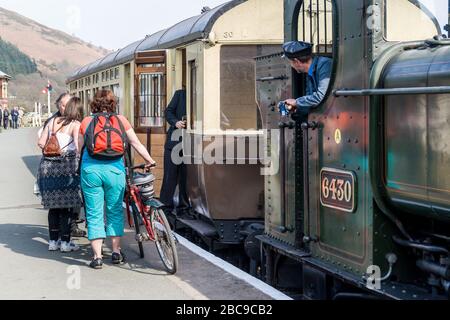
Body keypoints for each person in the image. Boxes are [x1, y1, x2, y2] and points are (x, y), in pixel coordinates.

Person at [78, 89, 156, 269]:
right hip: (115, 171)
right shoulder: (121, 120)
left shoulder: (87, 121)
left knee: (94, 213)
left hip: (91, 171)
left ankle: (97, 257)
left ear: (93, 103)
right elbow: (136, 143)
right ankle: (115, 252)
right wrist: (149, 160)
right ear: (113, 103)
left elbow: (78, 149)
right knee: (114, 211)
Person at [37, 97, 84, 252]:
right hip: (67, 168)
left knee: (53, 208)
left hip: (48, 168)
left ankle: (52, 242)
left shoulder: (52, 121)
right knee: (66, 208)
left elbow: (41, 143)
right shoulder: (76, 125)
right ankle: (65, 243)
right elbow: (78, 148)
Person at [160, 89, 190, 218]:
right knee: (170, 177)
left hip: (191, 144)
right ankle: (165, 209)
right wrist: (176, 122)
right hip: (174, 143)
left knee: (185, 179)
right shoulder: (180, 94)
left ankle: (183, 209)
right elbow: (168, 111)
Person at [281, 41, 332, 116]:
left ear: (296, 61)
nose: (291, 66)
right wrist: (293, 108)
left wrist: (296, 102)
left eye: (290, 62)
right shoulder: (309, 72)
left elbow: (321, 97)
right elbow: (310, 99)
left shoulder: (325, 65)